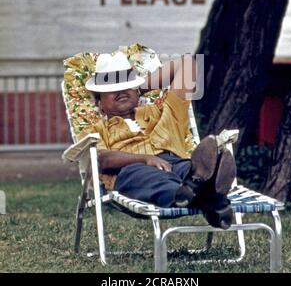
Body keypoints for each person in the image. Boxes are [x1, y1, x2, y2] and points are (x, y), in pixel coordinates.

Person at [85, 51, 236, 229]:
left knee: (191, 169)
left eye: (126, 85)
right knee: (151, 177)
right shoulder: (97, 129)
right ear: (100, 104)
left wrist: (138, 88)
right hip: (130, 172)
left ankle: (201, 189)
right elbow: (102, 160)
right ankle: (211, 200)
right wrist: (145, 159)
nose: (120, 90)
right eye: (111, 89)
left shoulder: (164, 113)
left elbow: (187, 64)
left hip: (176, 164)